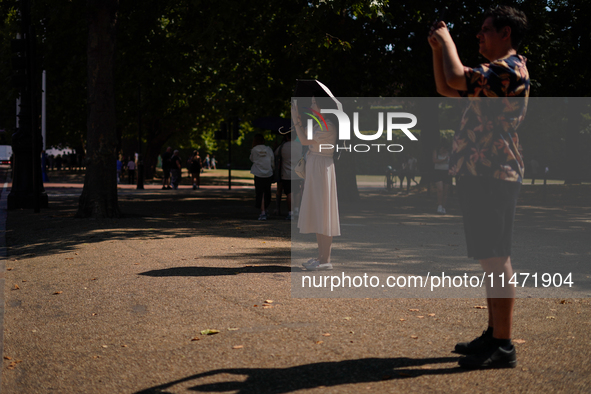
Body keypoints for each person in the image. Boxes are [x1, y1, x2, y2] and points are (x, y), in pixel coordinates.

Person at [429, 5, 530, 369]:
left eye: (486, 29)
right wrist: (438, 50)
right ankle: (493, 334)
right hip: (480, 173)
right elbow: (446, 86)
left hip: (495, 173)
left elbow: (456, 76)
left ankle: (503, 346)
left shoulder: (507, 69)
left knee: (496, 257)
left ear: (506, 33)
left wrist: (448, 41)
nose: (479, 35)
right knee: (489, 258)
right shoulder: (491, 75)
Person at [291, 92, 340, 271]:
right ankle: (321, 257)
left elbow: (304, 140)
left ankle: (325, 259)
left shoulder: (327, 125)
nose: (311, 106)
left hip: (321, 169)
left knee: (323, 213)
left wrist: (295, 121)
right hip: (317, 168)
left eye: (314, 103)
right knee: (320, 214)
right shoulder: (322, 124)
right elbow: (306, 139)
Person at [277, 132, 301, 220]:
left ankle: (290, 213)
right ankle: (296, 210)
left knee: (289, 193)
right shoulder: (299, 146)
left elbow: (276, 154)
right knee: (297, 191)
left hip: (286, 173)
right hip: (298, 172)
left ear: (287, 137)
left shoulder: (283, 146)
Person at [250, 134, 274, 220]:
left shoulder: (254, 150)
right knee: (267, 192)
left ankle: (262, 211)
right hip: (268, 173)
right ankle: (265, 208)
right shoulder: (269, 149)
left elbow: (252, 159)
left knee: (260, 193)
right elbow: (272, 161)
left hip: (258, 173)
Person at [432, 144, 451, 214]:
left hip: (446, 172)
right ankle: (439, 205)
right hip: (438, 172)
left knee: (446, 191)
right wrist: (444, 160)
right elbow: (434, 160)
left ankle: (443, 206)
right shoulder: (436, 152)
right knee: (440, 189)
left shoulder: (449, 153)